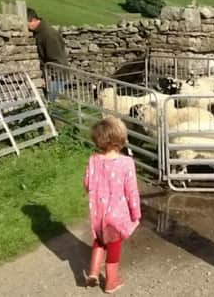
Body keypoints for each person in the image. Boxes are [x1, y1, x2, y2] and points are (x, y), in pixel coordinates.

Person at [84, 116, 141, 294]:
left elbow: (87, 184)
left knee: (100, 240)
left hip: (98, 213)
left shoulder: (93, 160)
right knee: (114, 245)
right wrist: (135, 212)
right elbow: (131, 190)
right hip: (117, 215)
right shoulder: (126, 163)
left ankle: (93, 272)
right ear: (120, 139)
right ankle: (111, 281)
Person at [26, 7, 68, 101]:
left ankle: (54, 115)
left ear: (33, 20)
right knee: (50, 103)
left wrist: (49, 77)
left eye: (26, 23)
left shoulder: (48, 34)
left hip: (56, 76)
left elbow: (56, 59)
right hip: (52, 75)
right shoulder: (40, 32)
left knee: (52, 104)